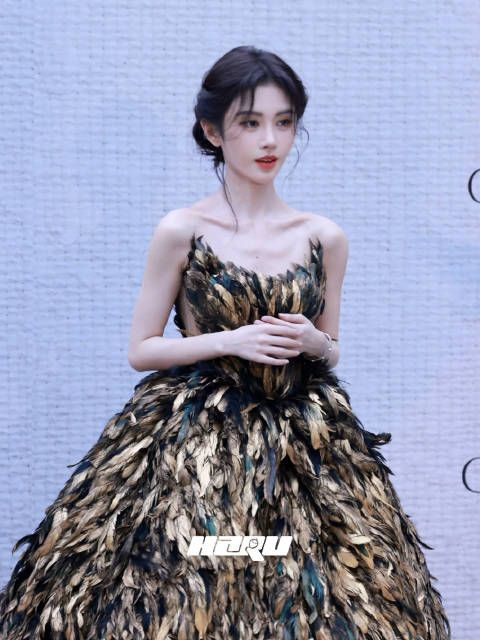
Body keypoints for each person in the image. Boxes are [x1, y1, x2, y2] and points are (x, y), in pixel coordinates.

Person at [0, 45, 451, 640]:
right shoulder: (182, 230)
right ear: (213, 131)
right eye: (250, 122)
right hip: (197, 442)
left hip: (306, 448)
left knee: (316, 595)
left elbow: (333, 347)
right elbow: (142, 349)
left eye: (283, 122)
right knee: (191, 585)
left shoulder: (324, 237)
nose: (270, 140)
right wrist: (230, 339)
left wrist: (314, 341)